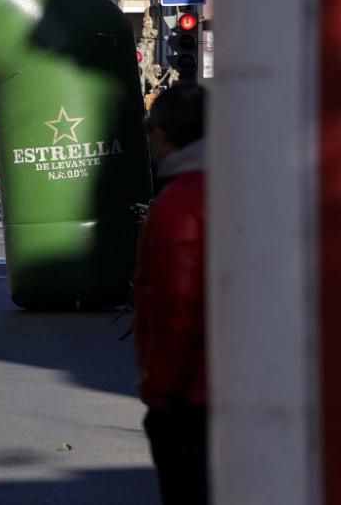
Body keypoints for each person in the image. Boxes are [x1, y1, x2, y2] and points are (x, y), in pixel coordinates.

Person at [133, 82, 207, 505]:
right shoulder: (249, 187)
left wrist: (159, 391)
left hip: (189, 396)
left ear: (162, 135)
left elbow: (173, 308)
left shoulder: (178, 204)